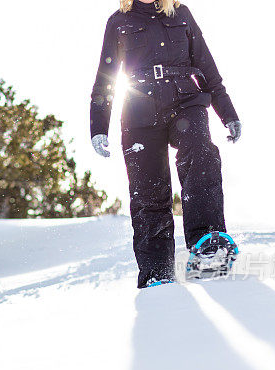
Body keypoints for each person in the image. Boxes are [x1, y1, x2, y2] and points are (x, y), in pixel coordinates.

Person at [90, 0, 241, 289]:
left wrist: (228, 113)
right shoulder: (118, 22)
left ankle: (207, 245)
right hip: (138, 111)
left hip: (185, 100)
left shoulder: (181, 14)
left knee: (200, 154)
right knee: (148, 190)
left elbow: (208, 68)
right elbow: (104, 80)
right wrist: (99, 127)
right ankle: (156, 271)